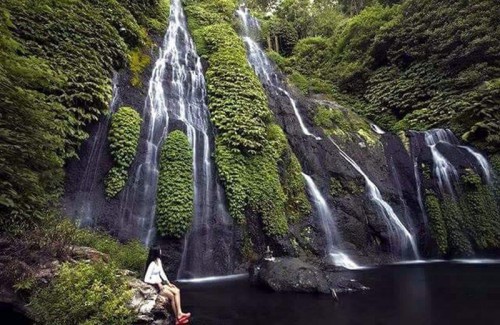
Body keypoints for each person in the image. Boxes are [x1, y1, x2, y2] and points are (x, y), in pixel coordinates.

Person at [144, 248, 191, 323]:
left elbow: (162, 273)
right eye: (159, 250)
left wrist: (168, 283)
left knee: (177, 290)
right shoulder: (152, 264)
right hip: (156, 288)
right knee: (172, 296)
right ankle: (177, 319)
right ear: (156, 252)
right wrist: (156, 282)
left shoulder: (158, 261)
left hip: (162, 285)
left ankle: (180, 313)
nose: (161, 250)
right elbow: (146, 279)